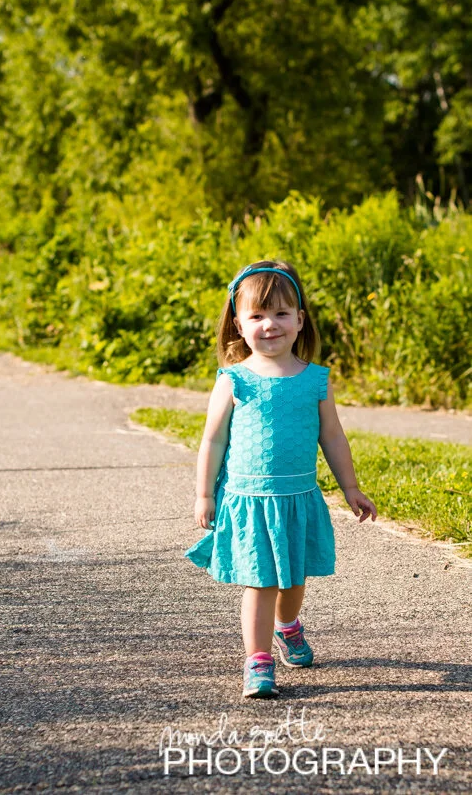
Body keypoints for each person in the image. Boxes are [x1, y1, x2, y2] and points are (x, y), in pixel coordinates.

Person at [185, 259, 377, 699]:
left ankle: (287, 625)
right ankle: (258, 660)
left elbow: (333, 436)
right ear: (239, 326)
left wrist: (350, 487)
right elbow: (212, 440)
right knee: (262, 581)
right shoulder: (234, 380)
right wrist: (203, 494)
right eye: (256, 316)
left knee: (293, 579)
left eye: (281, 314)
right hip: (250, 498)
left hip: (297, 496)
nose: (269, 324)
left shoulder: (315, 380)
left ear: (300, 320)